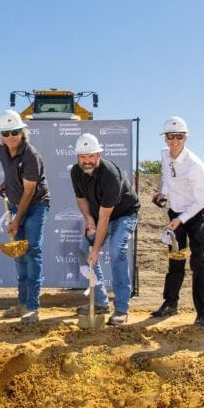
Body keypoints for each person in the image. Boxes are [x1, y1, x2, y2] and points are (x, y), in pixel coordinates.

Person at [71, 132, 140, 325]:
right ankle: (101, 302)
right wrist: (88, 220)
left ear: (99, 155)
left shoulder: (110, 175)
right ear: (78, 157)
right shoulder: (75, 172)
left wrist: (96, 249)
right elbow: (81, 199)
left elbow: (105, 217)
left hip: (124, 214)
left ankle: (121, 309)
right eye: (83, 157)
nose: (87, 161)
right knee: (84, 249)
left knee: (117, 250)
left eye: (91, 156)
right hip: (98, 215)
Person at [150, 116, 204, 326]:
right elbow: (167, 178)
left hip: (196, 215)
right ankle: (170, 303)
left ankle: (202, 312)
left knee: (197, 262)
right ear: (164, 138)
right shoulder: (164, 154)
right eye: (170, 136)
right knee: (175, 259)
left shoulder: (195, 165)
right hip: (176, 213)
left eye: (179, 136)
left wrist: (180, 220)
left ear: (185, 138)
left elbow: (201, 201)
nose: (174, 140)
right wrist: (162, 193)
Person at [0, 109, 51, 323]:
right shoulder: (1, 150)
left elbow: (29, 191)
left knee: (32, 250)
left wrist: (17, 220)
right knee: (19, 253)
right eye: (7, 133)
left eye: (15, 132)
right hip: (16, 204)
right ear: (1, 135)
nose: (11, 137)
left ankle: (32, 307)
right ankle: (21, 303)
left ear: (22, 132)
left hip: (36, 204)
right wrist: (6, 184)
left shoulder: (31, 155)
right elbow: (12, 173)